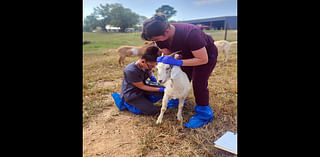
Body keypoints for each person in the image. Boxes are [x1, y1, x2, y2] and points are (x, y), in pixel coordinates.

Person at [141, 13, 218, 128]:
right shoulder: (160, 38)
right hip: (185, 55)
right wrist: (167, 61)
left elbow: (202, 59)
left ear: (166, 31)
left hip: (206, 56)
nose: (155, 41)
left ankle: (203, 114)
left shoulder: (191, 33)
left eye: (156, 39)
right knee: (180, 78)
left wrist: (179, 62)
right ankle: (178, 98)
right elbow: (168, 53)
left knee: (198, 83)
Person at [111, 46, 179, 115]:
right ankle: (126, 103)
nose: (152, 68)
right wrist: (159, 89)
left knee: (166, 90)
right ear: (143, 61)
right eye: (151, 66)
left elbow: (150, 73)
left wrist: (155, 81)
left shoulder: (146, 65)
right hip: (132, 94)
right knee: (152, 111)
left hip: (143, 89)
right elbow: (142, 86)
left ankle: (145, 100)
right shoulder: (130, 71)